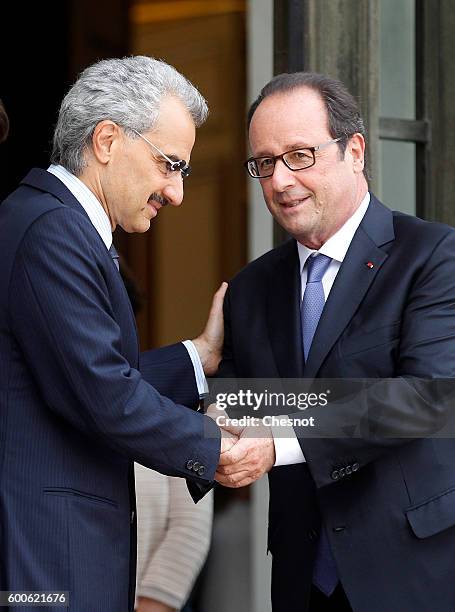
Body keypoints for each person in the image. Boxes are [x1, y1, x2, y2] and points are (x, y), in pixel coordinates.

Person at [0, 56, 235, 612]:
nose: (176, 192)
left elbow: (73, 379)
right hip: (46, 564)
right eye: (169, 164)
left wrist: (199, 356)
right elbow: (104, 395)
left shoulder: (53, 223)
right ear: (106, 140)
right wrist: (216, 447)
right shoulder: (51, 230)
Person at [215, 72, 455, 612]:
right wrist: (213, 408)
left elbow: (428, 397)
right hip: (303, 582)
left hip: (416, 575)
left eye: (300, 155)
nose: (280, 181)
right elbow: (238, 400)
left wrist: (281, 439)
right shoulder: (250, 289)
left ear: (355, 151)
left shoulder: (433, 256)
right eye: (265, 163)